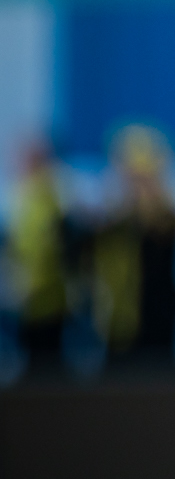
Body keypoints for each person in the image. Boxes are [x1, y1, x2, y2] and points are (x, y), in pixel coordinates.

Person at [92, 124, 175, 374]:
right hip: (122, 323)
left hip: (159, 326)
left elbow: (168, 235)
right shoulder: (112, 219)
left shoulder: (169, 219)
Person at [6, 140, 80, 378]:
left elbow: (58, 246)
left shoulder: (54, 195)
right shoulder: (21, 197)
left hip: (49, 292)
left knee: (48, 354)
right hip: (30, 292)